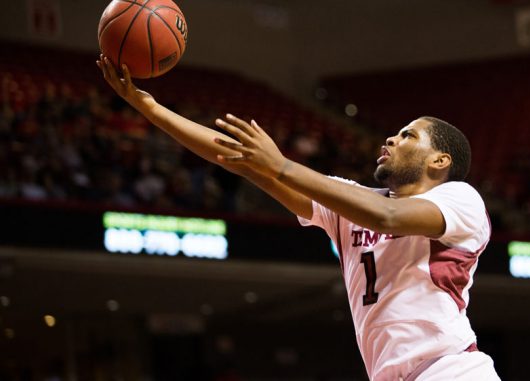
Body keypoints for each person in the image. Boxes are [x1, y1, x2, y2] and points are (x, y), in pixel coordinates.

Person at [96, 56, 501, 381]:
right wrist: (148, 108)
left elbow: (389, 216)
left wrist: (283, 166)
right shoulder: (352, 203)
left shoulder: (460, 199)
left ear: (440, 160)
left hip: (452, 369)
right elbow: (237, 160)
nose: (391, 139)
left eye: (408, 135)